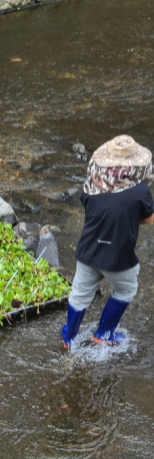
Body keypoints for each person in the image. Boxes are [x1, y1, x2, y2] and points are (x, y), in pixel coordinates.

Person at [61, 135, 154, 349]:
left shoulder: (90, 186)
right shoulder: (140, 191)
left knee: (80, 293)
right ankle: (104, 333)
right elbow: (148, 218)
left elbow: (96, 211)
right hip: (118, 257)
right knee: (125, 289)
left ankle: (70, 336)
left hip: (88, 251)